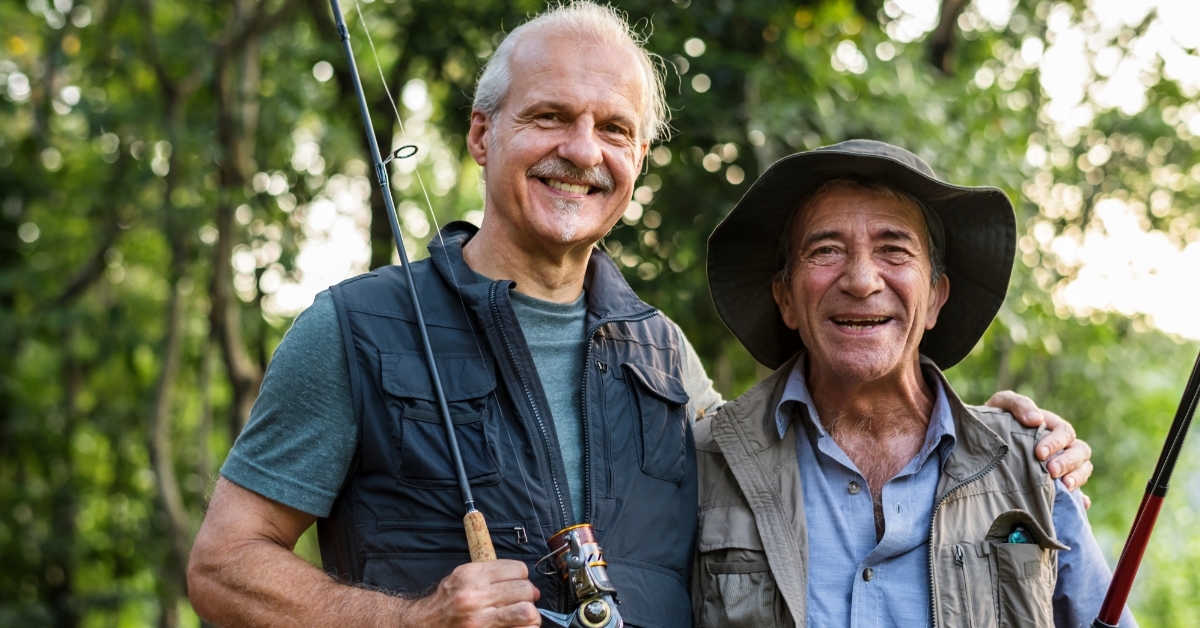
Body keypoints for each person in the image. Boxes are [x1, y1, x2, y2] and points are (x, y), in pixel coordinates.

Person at [187, 4, 1092, 627]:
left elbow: (824, 442)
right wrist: (414, 619)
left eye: (613, 129)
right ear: (478, 134)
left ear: (640, 161)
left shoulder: (667, 357)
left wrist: (1005, 438)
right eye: (548, 117)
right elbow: (224, 567)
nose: (581, 152)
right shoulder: (354, 329)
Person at [693, 139, 1133, 627]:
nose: (861, 280)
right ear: (786, 300)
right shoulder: (707, 466)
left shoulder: (1032, 469)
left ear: (936, 297)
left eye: (894, 249)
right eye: (826, 250)